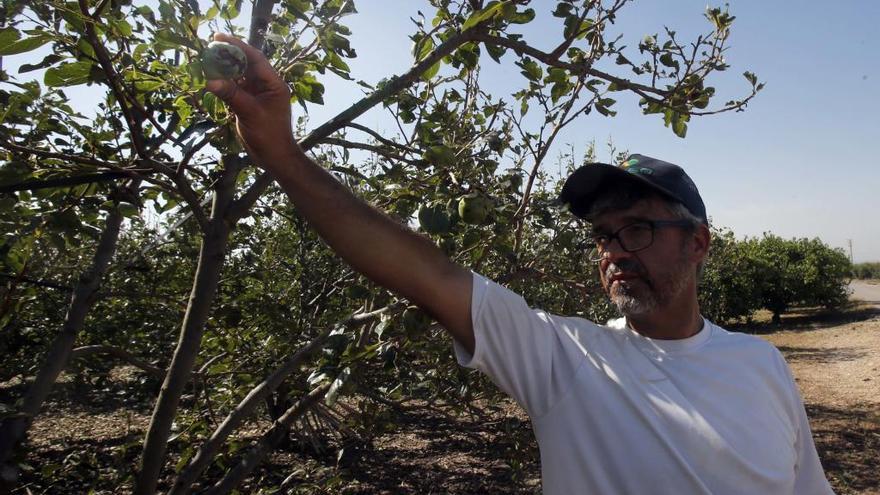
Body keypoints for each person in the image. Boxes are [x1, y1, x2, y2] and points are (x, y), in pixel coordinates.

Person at [205, 34, 834, 494]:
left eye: (636, 229)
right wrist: (284, 157)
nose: (614, 249)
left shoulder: (762, 364)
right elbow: (426, 276)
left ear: (698, 243)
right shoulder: (565, 358)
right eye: (603, 235)